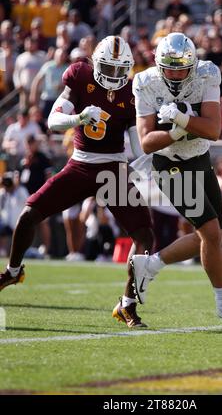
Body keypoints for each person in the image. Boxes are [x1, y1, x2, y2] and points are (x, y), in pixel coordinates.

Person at [0, 36, 154, 329]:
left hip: (112, 169)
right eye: (107, 68)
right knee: (29, 214)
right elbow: (53, 120)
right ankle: (13, 271)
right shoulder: (81, 76)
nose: (113, 77)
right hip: (81, 164)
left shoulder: (134, 91)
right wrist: (79, 118)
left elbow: (138, 145)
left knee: (145, 236)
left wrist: (139, 166)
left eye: (120, 70)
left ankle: (127, 305)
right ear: (95, 63)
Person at [130, 32, 222, 331]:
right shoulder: (146, 82)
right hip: (168, 163)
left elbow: (213, 130)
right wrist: (178, 131)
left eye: (181, 68)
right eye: (170, 68)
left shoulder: (207, 74)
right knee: (212, 234)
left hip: (200, 158)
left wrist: (180, 119)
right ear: (159, 65)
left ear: (193, 64)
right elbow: (147, 142)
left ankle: (151, 264)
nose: (175, 73)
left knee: (209, 237)